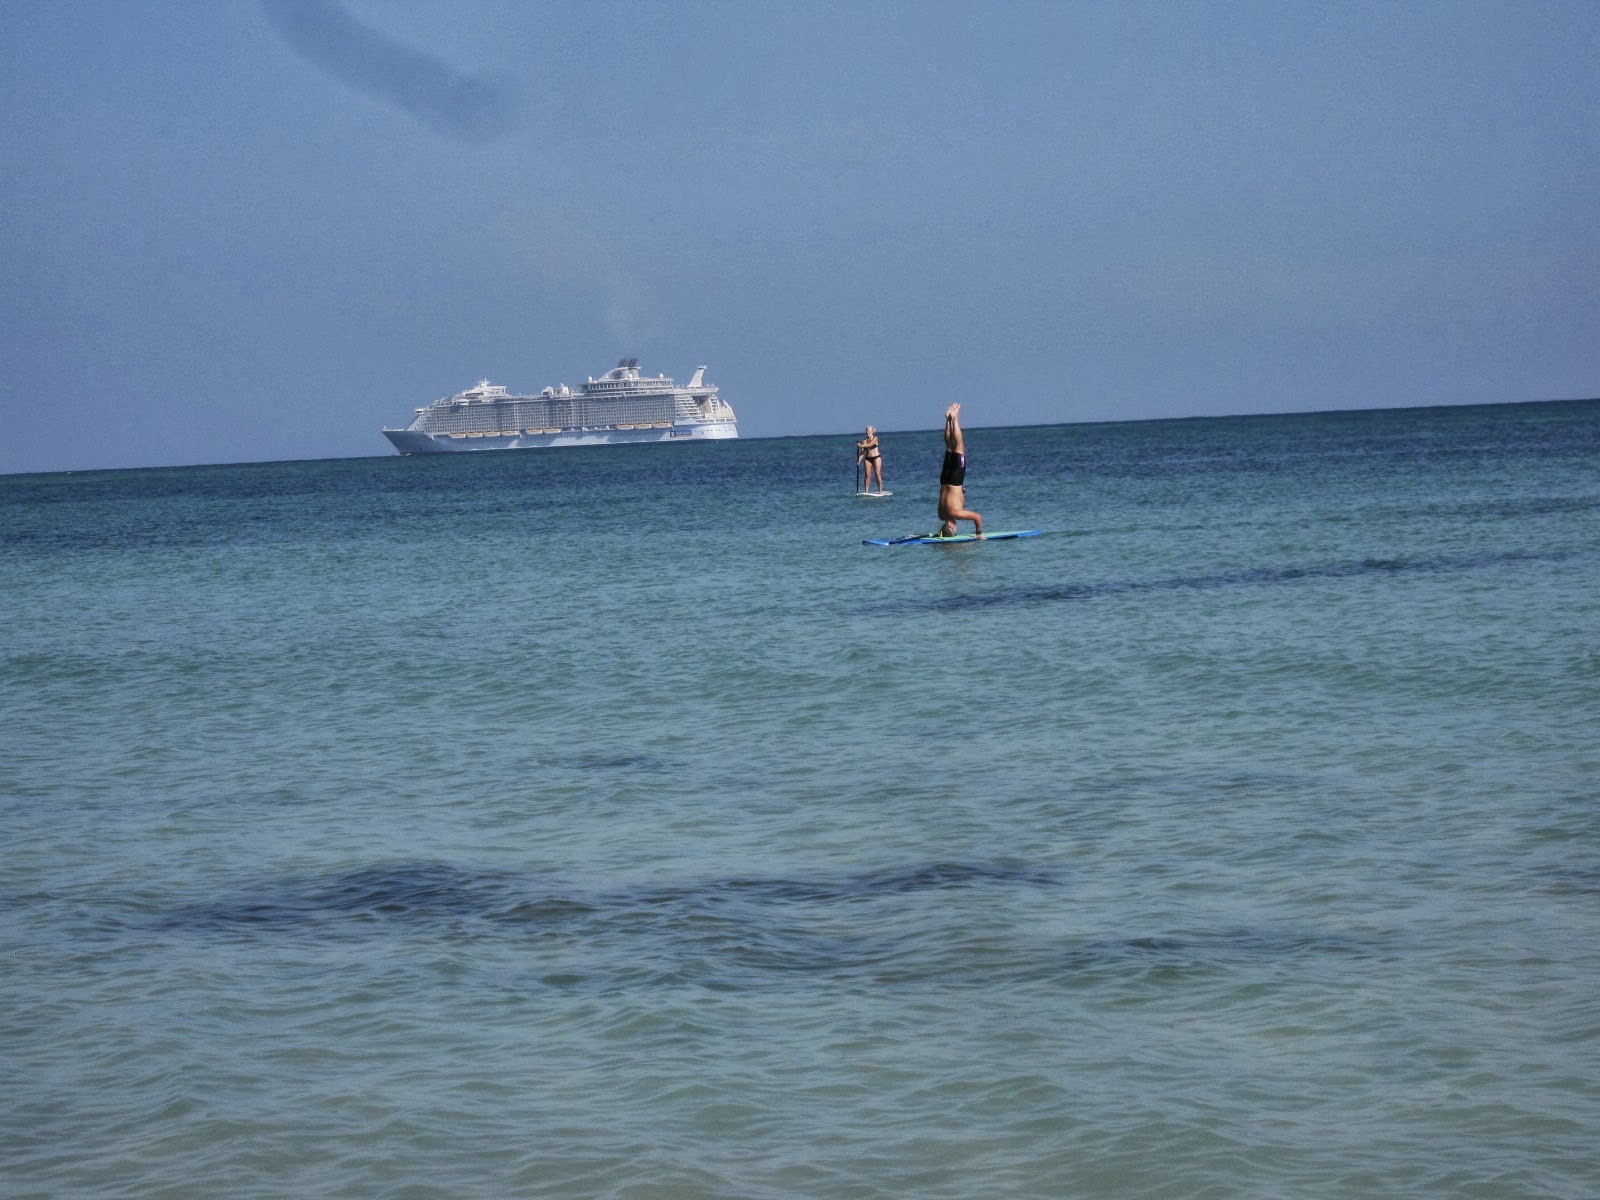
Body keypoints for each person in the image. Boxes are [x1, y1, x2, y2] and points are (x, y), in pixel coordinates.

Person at [937, 403, 982, 537]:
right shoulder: (941, 514)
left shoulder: (954, 513)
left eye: (955, 529)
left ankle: (955, 418)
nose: (956, 527)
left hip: (955, 479)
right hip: (944, 480)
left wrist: (978, 533)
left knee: (959, 448)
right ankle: (948, 420)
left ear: (951, 526)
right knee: (949, 447)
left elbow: (977, 517)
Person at [856, 425, 886, 494]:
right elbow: (863, 452)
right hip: (868, 459)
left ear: (872, 431)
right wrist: (858, 460)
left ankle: (880, 491)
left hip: (876, 458)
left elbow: (869, 445)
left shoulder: (875, 438)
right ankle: (866, 491)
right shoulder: (864, 441)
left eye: (869, 430)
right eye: (867, 430)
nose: (868, 432)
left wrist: (859, 445)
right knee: (867, 475)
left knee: (877, 474)